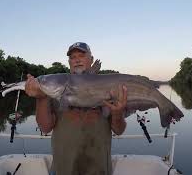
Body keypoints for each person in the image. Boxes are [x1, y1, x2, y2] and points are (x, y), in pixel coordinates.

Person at [25, 42, 127, 175]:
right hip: (63, 169)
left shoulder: (109, 87)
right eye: (73, 57)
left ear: (91, 59)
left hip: (99, 169)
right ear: (69, 62)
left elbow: (119, 130)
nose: (77, 59)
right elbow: (45, 128)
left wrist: (117, 113)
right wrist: (41, 97)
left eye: (82, 55)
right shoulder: (57, 87)